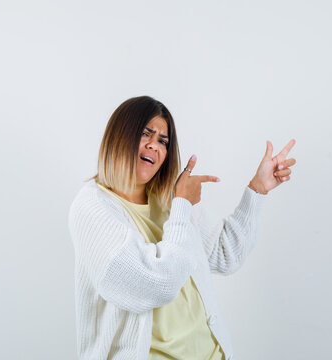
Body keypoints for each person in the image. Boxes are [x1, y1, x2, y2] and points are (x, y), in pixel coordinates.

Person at [68, 95, 296, 360]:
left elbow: (225, 255)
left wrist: (258, 189)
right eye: (146, 134)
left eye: (163, 141)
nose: (155, 146)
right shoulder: (92, 208)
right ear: (119, 136)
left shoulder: (170, 198)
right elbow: (155, 286)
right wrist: (182, 205)